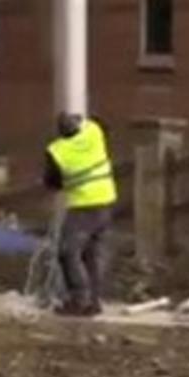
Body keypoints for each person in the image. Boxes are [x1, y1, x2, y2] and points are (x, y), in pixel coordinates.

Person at [43, 111, 118, 317]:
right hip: (106, 201)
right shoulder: (94, 133)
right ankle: (93, 301)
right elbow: (94, 121)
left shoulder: (58, 151)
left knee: (67, 252)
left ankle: (79, 300)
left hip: (84, 206)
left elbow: (52, 181)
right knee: (92, 254)